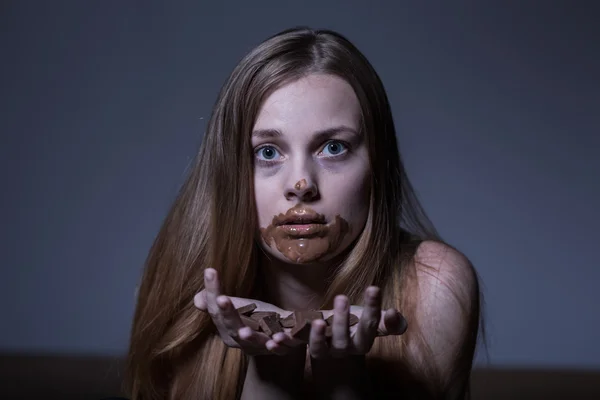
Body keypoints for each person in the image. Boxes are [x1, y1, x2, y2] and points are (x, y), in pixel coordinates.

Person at [124, 26, 483, 400]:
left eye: (333, 147)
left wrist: (341, 377)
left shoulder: (434, 285)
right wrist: (271, 370)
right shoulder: (180, 281)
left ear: (377, 164)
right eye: (267, 152)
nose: (300, 184)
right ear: (231, 171)